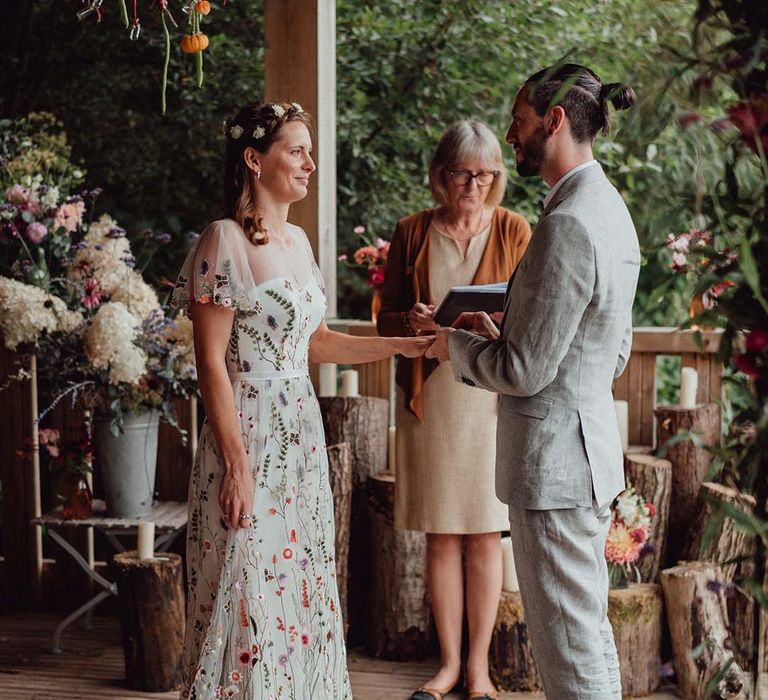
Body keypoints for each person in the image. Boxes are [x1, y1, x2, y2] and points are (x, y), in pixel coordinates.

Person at [171, 101, 433, 700]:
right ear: (253, 160)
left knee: (297, 582)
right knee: (245, 585)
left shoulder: (298, 240)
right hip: (248, 431)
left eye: (309, 151)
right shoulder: (225, 240)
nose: (310, 163)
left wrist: (402, 345)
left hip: (300, 438)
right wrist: (237, 463)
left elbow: (316, 341)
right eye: (296, 150)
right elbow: (210, 361)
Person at [426, 64, 640, 699]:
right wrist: (508, 335)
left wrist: (450, 344)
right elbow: (612, 350)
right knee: (587, 635)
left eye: (519, 123)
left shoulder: (567, 223)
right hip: (586, 454)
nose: (512, 137)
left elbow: (523, 372)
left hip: (555, 469)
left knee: (567, 649)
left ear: (554, 122)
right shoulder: (609, 208)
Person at [377, 120, 531, 700]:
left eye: (486, 174)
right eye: (463, 173)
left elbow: (533, 311)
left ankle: (479, 672)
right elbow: (385, 317)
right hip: (434, 398)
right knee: (441, 534)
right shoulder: (411, 232)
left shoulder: (516, 229)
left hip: (491, 398)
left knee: (487, 533)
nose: (474, 184)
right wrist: (413, 320)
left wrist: (494, 323)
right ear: (441, 176)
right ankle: (445, 667)